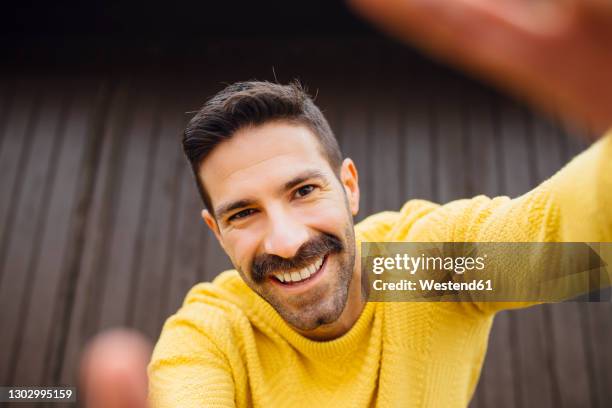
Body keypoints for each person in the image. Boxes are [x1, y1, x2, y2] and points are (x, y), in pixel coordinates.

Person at [81, 0, 612, 407]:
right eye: (243, 214)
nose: (286, 241)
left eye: (304, 191)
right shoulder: (214, 334)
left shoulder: (422, 271)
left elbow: (582, 252)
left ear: (350, 187)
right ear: (216, 232)